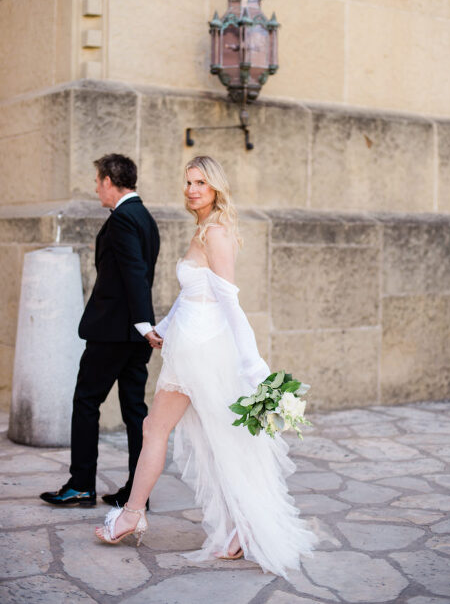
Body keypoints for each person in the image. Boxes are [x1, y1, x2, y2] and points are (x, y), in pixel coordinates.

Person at [95, 155, 316, 578]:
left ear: (215, 187)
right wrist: (163, 325)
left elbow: (229, 302)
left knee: (168, 431)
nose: (192, 189)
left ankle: (133, 514)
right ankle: (233, 530)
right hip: (188, 344)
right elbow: (193, 295)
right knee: (207, 439)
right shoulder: (203, 228)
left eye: (201, 182)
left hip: (203, 351)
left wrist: (254, 366)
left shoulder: (215, 232)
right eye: (188, 182)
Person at [40, 154, 160, 509]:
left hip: (114, 333)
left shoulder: (123, 219)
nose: (96, 188)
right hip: (134, 335)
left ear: (109, 180)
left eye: (97, 181)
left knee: (86, 401)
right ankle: (138, 493)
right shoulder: (145, 218)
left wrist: (140, 323)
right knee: (134, 411)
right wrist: (144, 327)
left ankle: (80, 485)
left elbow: (135, 273)